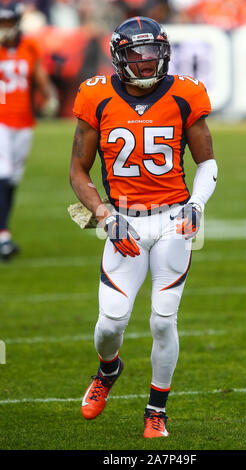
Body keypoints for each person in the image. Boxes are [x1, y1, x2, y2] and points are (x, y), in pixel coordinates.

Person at [69, 16, 218, 438]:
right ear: (119, 55)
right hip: (123, 221)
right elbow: (78, 171)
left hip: (174, 218)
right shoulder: (95, 96)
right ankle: (108, 369)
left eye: (154, 51)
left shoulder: (184, 93)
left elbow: (206, 162)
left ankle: (157, 409)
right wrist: (103, 215)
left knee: (162, 320)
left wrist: (197, 205)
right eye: (138, 52)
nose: (148, 60)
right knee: (111, 324)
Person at [0, 1, 59, 261]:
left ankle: (3, 230)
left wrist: (49, 96)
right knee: (2, 174)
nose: (4, 28)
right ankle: (3, 235)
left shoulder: (29, 45)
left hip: (23, 121)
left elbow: (38, 74)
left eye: (7, 22)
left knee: (12, 180)